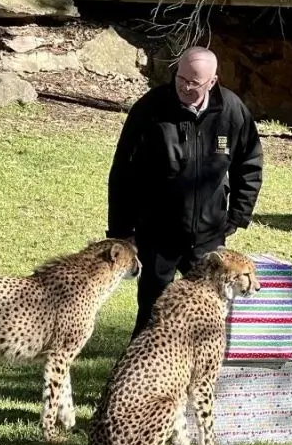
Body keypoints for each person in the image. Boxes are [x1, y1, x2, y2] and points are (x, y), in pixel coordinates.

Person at [105, 45, 264, 338]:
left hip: (208, 236)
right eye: (181, 79)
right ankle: (141, 377)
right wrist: (121, 228)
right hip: (157, 234)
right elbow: (123, 173)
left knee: (207, 318)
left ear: (212, 82)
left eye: (194, 82)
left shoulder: (231, 111)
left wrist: (238, 214)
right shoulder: (150, 109)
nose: (186, 87)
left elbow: (249, 164)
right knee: (153, 315)